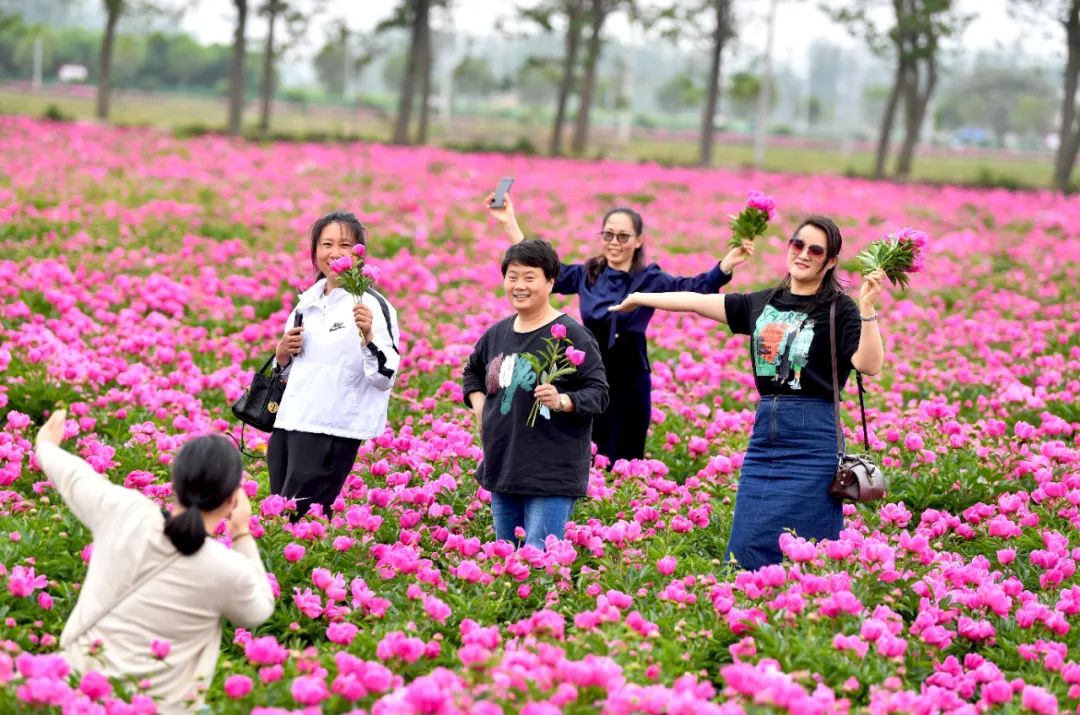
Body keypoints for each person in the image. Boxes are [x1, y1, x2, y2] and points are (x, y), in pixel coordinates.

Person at [610, 215, 888, 570]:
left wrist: (867, 310)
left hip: (814, 438)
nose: (803, 254)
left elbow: (868, 364)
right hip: (766, 437)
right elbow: (697, 301)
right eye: (797, 244)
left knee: (810, 544)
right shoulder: (764, 302)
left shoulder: (839, 308)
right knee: (747, 541)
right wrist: (641, 297)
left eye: (815, 250)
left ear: (830, 260)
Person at [34, 410, 274, 714]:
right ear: (231, 499)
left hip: (76, 692)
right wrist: (241, 533)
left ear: (176, 482)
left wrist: (45, 445)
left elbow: (75, 475)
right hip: (154, 706)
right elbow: (259, 610)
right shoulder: (225, 568)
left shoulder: (125, 512)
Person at [487, 193, 755, 464]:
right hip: (588, 374)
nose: (614, 243)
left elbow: (695, 288)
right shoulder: (586, 274)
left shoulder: (650, 278)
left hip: (630, 378)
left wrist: (726, 265)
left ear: (639, 241)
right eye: (608, 235)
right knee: (588, 451)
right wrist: (509, 220)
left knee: (626, 453)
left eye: (623, 236)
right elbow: (541, 266)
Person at [463, 239, 609, 549]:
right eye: (512, 276)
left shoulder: (572, 335)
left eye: (529, 277)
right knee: (507, 561)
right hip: (503, 466)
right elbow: (472, 372)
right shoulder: (497, 333)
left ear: (550, 282)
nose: (519, 285)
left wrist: (563, 401)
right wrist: (480, 410)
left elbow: (598, 393)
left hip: (550, 474)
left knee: (538, 563)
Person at [269, 210, 401, 520]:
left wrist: (368, 337)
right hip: (291, 423)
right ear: (315, 253)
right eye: (327, 244)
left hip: (331, 427)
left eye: (345, 245)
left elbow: (385, 375)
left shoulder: (371, 305)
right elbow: (290, 374)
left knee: (301, 518)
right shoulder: (307, 304)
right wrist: (282, 356)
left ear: (359, 254)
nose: (335, 253)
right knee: (279, 518)